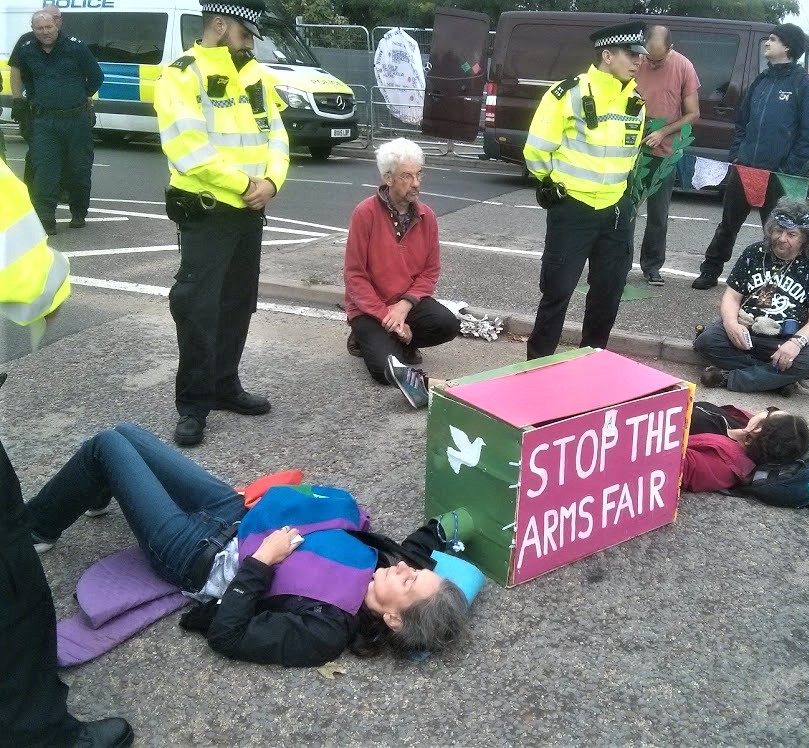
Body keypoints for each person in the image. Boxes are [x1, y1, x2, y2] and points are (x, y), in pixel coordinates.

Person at [25, 424, 471, 666]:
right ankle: (98, 485)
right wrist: (456, 522)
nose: (409, 570)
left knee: (106, 446)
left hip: (195, 554)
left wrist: (261, 562)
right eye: (421, 571)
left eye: (412, 583)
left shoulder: (325, 633)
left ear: (393, 618)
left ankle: (36, 528)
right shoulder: (391, 567)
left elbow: (228, 635)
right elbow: (417, 549)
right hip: (236, 514)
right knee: (128, 434)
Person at [0, 160, 134, 747]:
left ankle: (47, 517)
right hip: (209, 541)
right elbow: (36, 283)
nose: (407, 574)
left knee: (114, 447)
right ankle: (35, 732)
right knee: (8, 567)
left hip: (211, 537)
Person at [154, 0, 290, 447]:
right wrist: (245, 183)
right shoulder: (182, 73)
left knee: (236, 302)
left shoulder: (254, 73)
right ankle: (193, 405)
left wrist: (272, 180)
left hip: (250, 209)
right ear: (219, 24)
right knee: (197, 309)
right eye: (246, 33)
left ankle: (225, 385)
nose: (251, 42)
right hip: (209, 209)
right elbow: (187, 148)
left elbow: (277, 134)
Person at [523, 21, 647, 360]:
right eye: (630, 54)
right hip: (573, 209)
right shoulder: (567, 94)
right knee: (557, 292)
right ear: (607, 55)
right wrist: (555, 186)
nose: (638, 61)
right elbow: (536, 150)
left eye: (640, 55)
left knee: (608, 294)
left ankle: (592, 365)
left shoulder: (636, 102)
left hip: (616, 212)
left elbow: (629, 157)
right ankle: (537, 367)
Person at [691, 23, 809, 290]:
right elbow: (742, 123)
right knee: (727, 226)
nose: (767, 44)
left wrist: (787, 168)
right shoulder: (761, 81)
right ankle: (710, 270)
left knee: (777, 231)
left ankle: (775, 280)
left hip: (777, 175)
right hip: (745, 168)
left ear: (787, 46)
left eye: (773, 40)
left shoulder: (803, 85)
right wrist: (738, 155)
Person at [343, 137, 460, 408]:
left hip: (405, 304)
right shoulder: (365, 214)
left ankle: (393, 343)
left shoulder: (427, 216)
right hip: (369, 308)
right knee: (382, 369)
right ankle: (428, 382)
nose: (416, 183)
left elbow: (430, 272)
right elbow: (355, 276)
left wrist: (404, 307)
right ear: (388, 178)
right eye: (407, 176)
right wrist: (389, 317)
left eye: (419, 174)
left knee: (448, 324)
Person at [693, 196, 809, 393]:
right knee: (706, 341)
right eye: (778, 230)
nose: (782, 238)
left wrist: (795, 344)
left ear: (805, 238)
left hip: (784, 338)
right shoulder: (754, 253)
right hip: (746, 332)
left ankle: (730, 378)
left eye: (791, 234)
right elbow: (732, 297)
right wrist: (731, 324)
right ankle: (775, 380)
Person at [15, 8, 103, 236]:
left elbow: (96, 76)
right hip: (45, 121)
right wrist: (29, 101)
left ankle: (78, 212)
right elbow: (26, 78)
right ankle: (46, 217)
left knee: (79, 167)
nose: (45, 32)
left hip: (76, 119)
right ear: (33, 29)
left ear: (57, 26)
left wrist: (80, 95)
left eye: (48, 27)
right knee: (45, 169)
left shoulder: (76, 47)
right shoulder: (26, 50)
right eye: (39, 28)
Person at [631, 24, 700, 286]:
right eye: (649, 57)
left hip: (665, 151)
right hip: (633, 150)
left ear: (670, 48)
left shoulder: (684, 66)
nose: (652, 63)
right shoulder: (637, 59)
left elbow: (693, 113)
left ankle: (651, 267)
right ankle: (619, 264)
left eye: (658, 59)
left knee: (658, 215)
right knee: (626, 209)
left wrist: (663, 133)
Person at [683, 401, 809, 493]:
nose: (766, 411)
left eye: (770, 413)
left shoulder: (723, 466)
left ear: (758, 428)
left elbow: (671, 465)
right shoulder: (744, 426)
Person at [8, 5, 64, 186]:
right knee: (37, 151)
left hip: (64, 111)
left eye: (55, 18)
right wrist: (17, 100)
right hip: (36, 108)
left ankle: (59, 188)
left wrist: (87, 102)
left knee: (65, 152)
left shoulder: (68, 42)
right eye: (48, 17)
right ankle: (32, 189)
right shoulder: (26, 42)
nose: (51, 21)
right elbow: (15, 70)